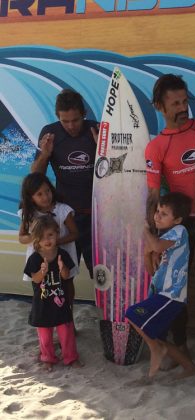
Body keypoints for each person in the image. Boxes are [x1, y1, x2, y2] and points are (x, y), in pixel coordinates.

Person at [144, 74, 195, 365]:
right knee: (174, 289)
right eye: (174, 103)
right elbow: (154, 196)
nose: (182, 107)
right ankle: (182, 347)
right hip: (183, 226)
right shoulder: (156, 147)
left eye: (184, 100)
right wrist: (151, 238)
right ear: (160, 107)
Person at [125, 192, 195, 378]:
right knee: (157, 337)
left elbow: (157, 247)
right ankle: (190, 368)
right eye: (157, 211)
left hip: (171, 295)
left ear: (177, 219)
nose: (157, 215)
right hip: (160, 294)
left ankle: (155, 350)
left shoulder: (179, 231)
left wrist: (144, 231)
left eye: (163, 213)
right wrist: (147, 254)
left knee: (132, 314)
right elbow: (152, 271)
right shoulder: (164, 236)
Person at [31, 89, 98, 279]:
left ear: (84, 114)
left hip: (97, 216)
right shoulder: (50, 133)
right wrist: (45, 155)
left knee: (102, 273)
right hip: (66, 217)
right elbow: (35, 178)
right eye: (65, 121)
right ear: (57, 117)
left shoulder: (97, 130)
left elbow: (115, 175)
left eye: (75, 120)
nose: (71, 126)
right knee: (62, 275)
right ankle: (63, 309)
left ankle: (106, 309)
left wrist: (105, 150)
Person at [24, 215, 82, 371]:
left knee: (66, 332)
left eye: (50, 234)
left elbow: (66, 276)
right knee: (45, 336)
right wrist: (42, 272)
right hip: (42, 305)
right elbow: (35, 280)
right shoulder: (34, 258)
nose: (47, 239)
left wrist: (62, 267)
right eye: (42, 237)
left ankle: (70, 357)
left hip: (60, 303)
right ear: (36, 240)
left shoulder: (62, 254)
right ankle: (48, 358)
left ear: (57, 233)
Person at [19, 172, 79, 309]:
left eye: (47, 191)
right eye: (39, 194)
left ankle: (68, 318)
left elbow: (75, 234)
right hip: (38, 258)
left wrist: (56, 243)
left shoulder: (63, 210)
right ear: (30, 197)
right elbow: (21, 237)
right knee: (40, 287)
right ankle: (45, 319)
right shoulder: (28, 213)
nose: (45, 196)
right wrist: (36, 238)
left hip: (62, 255)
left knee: (67, 283)